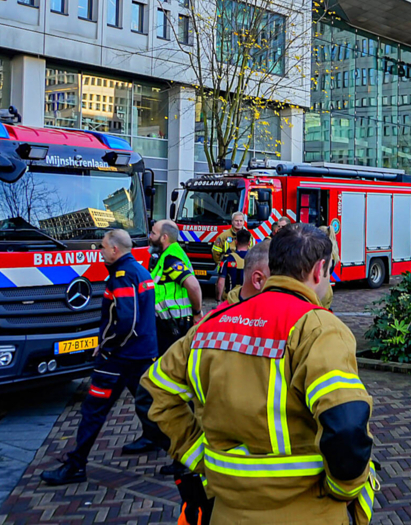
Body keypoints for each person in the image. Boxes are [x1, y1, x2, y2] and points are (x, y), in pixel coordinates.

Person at [142, 223, 378, 525]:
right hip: (306, 510)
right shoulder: (318, 328)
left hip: (226, 509)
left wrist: (198, 454)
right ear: (319, 271)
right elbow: (346, 426)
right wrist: (342, 488)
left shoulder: (210, 326)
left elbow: (152, 391)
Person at [41, 230, 167, 485]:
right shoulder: (140, 271)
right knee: (151, 406)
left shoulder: (121, 277)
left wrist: (106, 347)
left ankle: (76, 465)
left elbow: (125, 321)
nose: (100, 252)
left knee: (94, 410)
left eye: (102, 247)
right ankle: (182, 458)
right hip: (141, 354)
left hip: (118, 358)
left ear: (114, 250)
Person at [123, 220, 203, 456]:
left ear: (164, 238)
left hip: (174, 330)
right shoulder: (163, 257)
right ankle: (154, 435)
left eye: (154, 233)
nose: (150, 236)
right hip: (163, 329)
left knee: (175, 386)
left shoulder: (171, 258)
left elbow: (193, 285)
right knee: (154, 382)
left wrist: (198, 314)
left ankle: (184, 446)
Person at [224, 238, 271, 305]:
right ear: (258, 280)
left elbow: (221, 281)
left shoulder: (217, 313)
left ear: (236, 242)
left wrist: (218, 299)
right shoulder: (279, 313)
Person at [215, 229, 251, 301]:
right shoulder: (255, 259)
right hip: (248, 299)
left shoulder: (227, 259)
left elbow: (220, 282)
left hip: (230, 300)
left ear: (236, 242)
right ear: (249, 243)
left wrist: (218, 300)